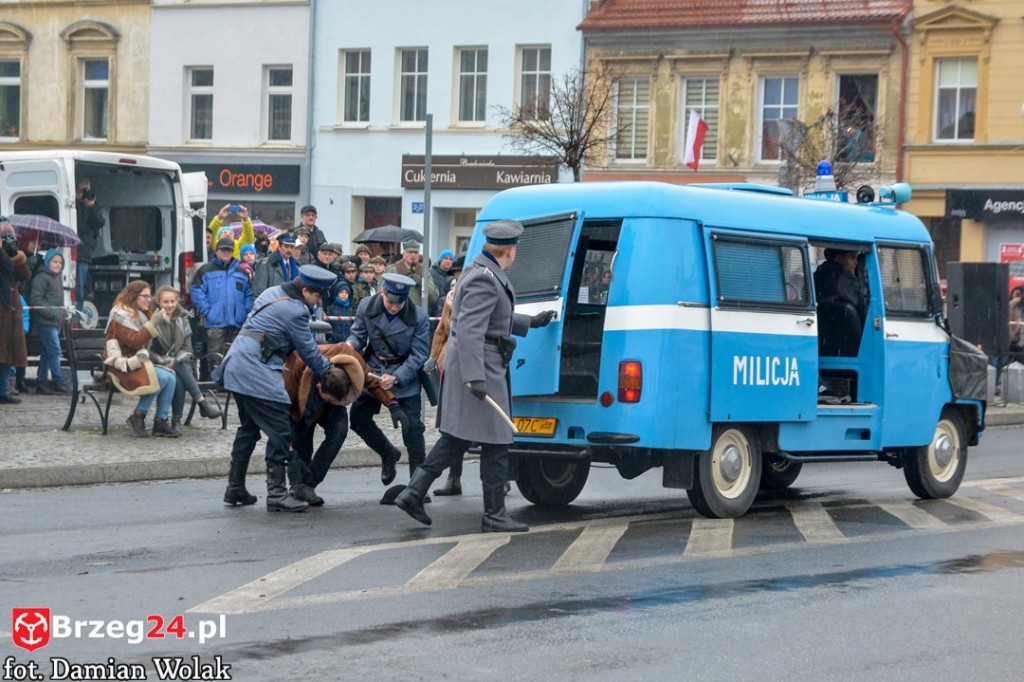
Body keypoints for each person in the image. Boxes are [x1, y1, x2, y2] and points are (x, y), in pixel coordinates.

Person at [395, 220, 556, 532]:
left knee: (457, 437)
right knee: (497, 439)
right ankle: (494, 513)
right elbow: (470, 327)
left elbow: (490, 316)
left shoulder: (478, 270)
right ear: (509, 251)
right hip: (480, 362)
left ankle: (413, 492)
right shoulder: (485, 278)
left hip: (477, 358)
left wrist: (529, 323)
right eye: (515, 252)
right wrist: (474, 377)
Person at [214, 264, 337, 512]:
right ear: (305, 292)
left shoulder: (271, 292)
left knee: (249, 428)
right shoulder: (296, 311)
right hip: (255, 369)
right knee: (281, 430)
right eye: (317, 296)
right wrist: (328, 371)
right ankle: (277, 493)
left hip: (237, 363)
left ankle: (235, 487)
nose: (318, 302)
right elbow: (309, 350)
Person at [282, 341, 395, 506]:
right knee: (300, 442)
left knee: (339, 430)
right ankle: (298, 486)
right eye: (330, 400)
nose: (334, 403)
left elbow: (373, 381)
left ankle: (309, 484)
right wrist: (288, 444)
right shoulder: (297, 365)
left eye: (337, 401)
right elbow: (281, 409)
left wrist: (392, 403)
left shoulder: (352, 360)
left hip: (331, 398)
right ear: (319, 387)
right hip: (299, 404)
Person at [346, 273, 430, 490]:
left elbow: (419, 355)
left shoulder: (418, 316)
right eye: (391, 302)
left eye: (399, 303)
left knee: (412, 429)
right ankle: (388, 453)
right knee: (357, 419)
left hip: (403, 374)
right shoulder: (367, 306)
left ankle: (417, 487)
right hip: (373, 371)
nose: (394, 307)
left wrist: (397, 377)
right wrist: (351, 345)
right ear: (383, 292)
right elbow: (358, 334)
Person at [103, 280, 180, 438]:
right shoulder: (121, 316)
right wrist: (154, 322)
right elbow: (135, 341)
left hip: (139, 362)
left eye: (149, 296)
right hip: (122, 365)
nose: (149, 300)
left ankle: (160, 422)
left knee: (171, 377)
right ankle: (138, 415)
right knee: (161, 377)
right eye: (145, 296)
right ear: (133, 297)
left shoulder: (142, 313)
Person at [149, 286, 222, 431]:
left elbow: (188, 349)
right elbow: (147, 350)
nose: (169, 305)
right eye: (165, 302)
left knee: (178, 373)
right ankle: (201, 404)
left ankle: (177, 422)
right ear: (158, 302)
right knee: (177, 372)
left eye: (172, 301)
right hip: (156, 364)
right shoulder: (153, 319)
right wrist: (165, 361)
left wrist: (175, 360)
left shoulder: (183, 320)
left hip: (181, 364)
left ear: (177, 301)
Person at [426, 254, 466, 496]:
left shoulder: (469, 297)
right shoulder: (451, 298)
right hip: (447, 365)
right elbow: (441, 329)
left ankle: (500, 478)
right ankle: (454, 478)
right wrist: (433, 357)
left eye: (459, 273)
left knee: (471, 425)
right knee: (450, 425)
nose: (457, 277)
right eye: (455, 274)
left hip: (466, 363)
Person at [192, 236, 254, 365]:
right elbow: (197, 291)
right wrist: (208, 311)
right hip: (215, 323)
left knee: (237, 359)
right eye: (223, 249)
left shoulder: (242, 272)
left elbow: (249, 294)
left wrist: (245, 310)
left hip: (237, 323)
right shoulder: (205, 270)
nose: (226, 252)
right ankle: (212, 385)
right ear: (216, 251)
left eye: (229, 250)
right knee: (214, 360)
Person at [28, 249, 69, 395]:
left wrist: (62, 313)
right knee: (55, 351)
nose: (58, 264)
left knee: (46, 353)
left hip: (55, 321)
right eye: (54, 261)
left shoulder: (56, 277)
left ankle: (42, 381)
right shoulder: (42, 277)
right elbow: (36, 300)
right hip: (46, 321)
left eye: (60, 262)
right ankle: (60, 382)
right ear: (48, 262)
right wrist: (54, 313)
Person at [813, 248, 867, 357]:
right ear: (839, 259)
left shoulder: (816, 277)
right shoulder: (847, 281)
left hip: (823, 348)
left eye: (857, 258)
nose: (856, 263)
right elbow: (866, 314)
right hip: (848, 349)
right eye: (852, 258)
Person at [0, 220, 31, 405]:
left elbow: (25, 275)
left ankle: (4, 391)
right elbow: (6, 268)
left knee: (7, 354)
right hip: (1, 309)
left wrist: (16, 254)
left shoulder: (13, 253)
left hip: (11, 310)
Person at [75, 178, 105, 311]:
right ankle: (76, 317)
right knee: (75, 288)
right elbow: (76, 224)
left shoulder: (93, 207)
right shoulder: (74, 205)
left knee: (81, 288)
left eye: (87, 190)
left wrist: (91, 206)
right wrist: (76, 200)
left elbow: (99, 222)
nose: (85, 193)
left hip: (84, 253)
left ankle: (79, 315)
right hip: (73, 250)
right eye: (82, 190)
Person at [385, 240, 439, 312]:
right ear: (403, 254)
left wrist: (421, 283)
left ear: (419, 256)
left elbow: (434, 297)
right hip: (396, 312)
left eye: (416, 252)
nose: (413, 255)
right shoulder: (393, 270)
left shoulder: (424, 272)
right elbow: (382, 292)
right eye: (410, 252)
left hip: (418, 313)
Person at [253, 232, 299, 297]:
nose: (289, 250)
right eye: (286, 246)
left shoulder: (296, 266)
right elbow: (258, 293)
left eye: (292, 247)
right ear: (279, 247)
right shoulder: (266, 264)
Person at [429, 250, 455, 316]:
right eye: (445, 258)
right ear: (441, 260)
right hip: (433, 312)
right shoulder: (431, 274)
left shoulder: (454, 275)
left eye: (450, 259)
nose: (448, 261)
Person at [1010, 286, 1024, 355]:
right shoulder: (1012, 305)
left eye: (1019, 294)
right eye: (1016, 293)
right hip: (1012, 339)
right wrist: (1012, 303)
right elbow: (1007, 317)